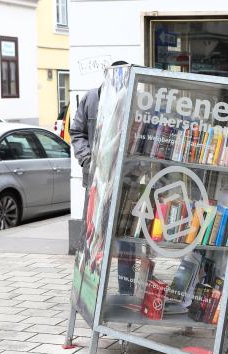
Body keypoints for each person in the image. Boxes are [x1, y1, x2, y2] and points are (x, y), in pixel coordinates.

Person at [70, 60, 136, 293]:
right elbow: (76, 131)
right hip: (97, 180)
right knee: (93, 232)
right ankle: (90, 289)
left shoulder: (133, 100)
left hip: (126, 183)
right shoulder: (91, 98)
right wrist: (88, 160)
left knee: (126, 238)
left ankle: (126, 290)